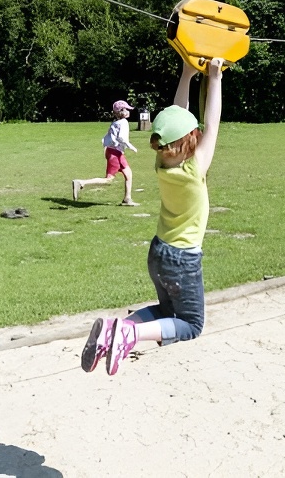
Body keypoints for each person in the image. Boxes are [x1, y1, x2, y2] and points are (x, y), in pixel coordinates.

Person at [80, 57, 225, 376]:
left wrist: (187, 73)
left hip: (158, 254)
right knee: (191, 324)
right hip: (182, 261)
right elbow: (211, 124)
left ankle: (115, 330)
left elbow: (177, 115)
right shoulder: (193, 168)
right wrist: (214, 78)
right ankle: (130, 334)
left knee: (165, 311)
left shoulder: (163, 163)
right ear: (190, 141)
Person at [72, 101, 139, 205]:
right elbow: (121, 137)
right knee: (108, 180)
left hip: (113, 151)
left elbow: (108, 137)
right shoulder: (123, 122)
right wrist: (131, 146)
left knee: (128, 173)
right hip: (115, 154)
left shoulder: (115, 122)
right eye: (126, 109)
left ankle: (127, 199)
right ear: (121, 112)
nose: (128, 111)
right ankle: (81, 183)